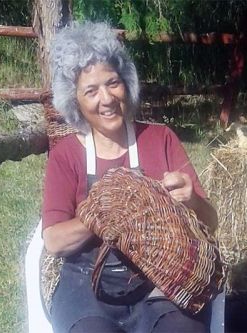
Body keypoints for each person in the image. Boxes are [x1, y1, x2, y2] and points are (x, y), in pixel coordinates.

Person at [41, 21, 219, 333]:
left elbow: (211, 222)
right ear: (75, 101)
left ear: (127, 83)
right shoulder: (66, 154)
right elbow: (54, 241)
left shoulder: (160, 139)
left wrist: (190, 199)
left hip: (159, 283)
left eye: (112, 83)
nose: (106, 99)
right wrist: (101, 217)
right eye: (91, 91)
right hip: (87, 288)